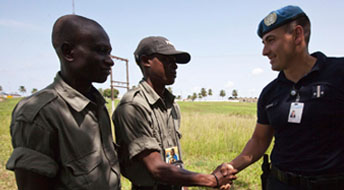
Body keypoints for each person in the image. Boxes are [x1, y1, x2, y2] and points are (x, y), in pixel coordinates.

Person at [218, 5, 344, 190]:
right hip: (280, 184)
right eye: (264, 43)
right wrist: (231, 167)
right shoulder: (271, 92)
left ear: (298, 35)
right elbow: (259, 141)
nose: (264, 51)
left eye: (271, 40)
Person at [6, 15, 120, 189]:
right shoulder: (40, 115)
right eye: (100, 50)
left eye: (108, 52)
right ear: (68, 52)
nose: (110, 60)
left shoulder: (97, 105)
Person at [112, 36, 236, 190]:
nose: (175, 66)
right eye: (167, 60)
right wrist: (212, 180)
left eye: (175, 61)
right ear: (146, 61)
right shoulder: (133, 106)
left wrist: (184, 185)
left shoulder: (171, 105)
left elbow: (172, 156)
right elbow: (156, 168)